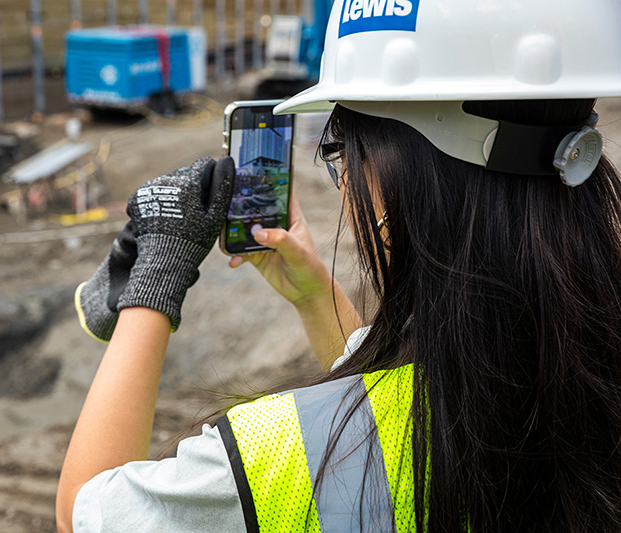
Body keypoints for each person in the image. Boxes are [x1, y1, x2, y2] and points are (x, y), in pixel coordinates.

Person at [57, 0, 621, 531]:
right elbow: (403, 400)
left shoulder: (281, 458)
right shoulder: (587, 366)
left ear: (386, 174)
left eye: (340, 154)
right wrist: (313, 295)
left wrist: (156, 276)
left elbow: (84, 512)